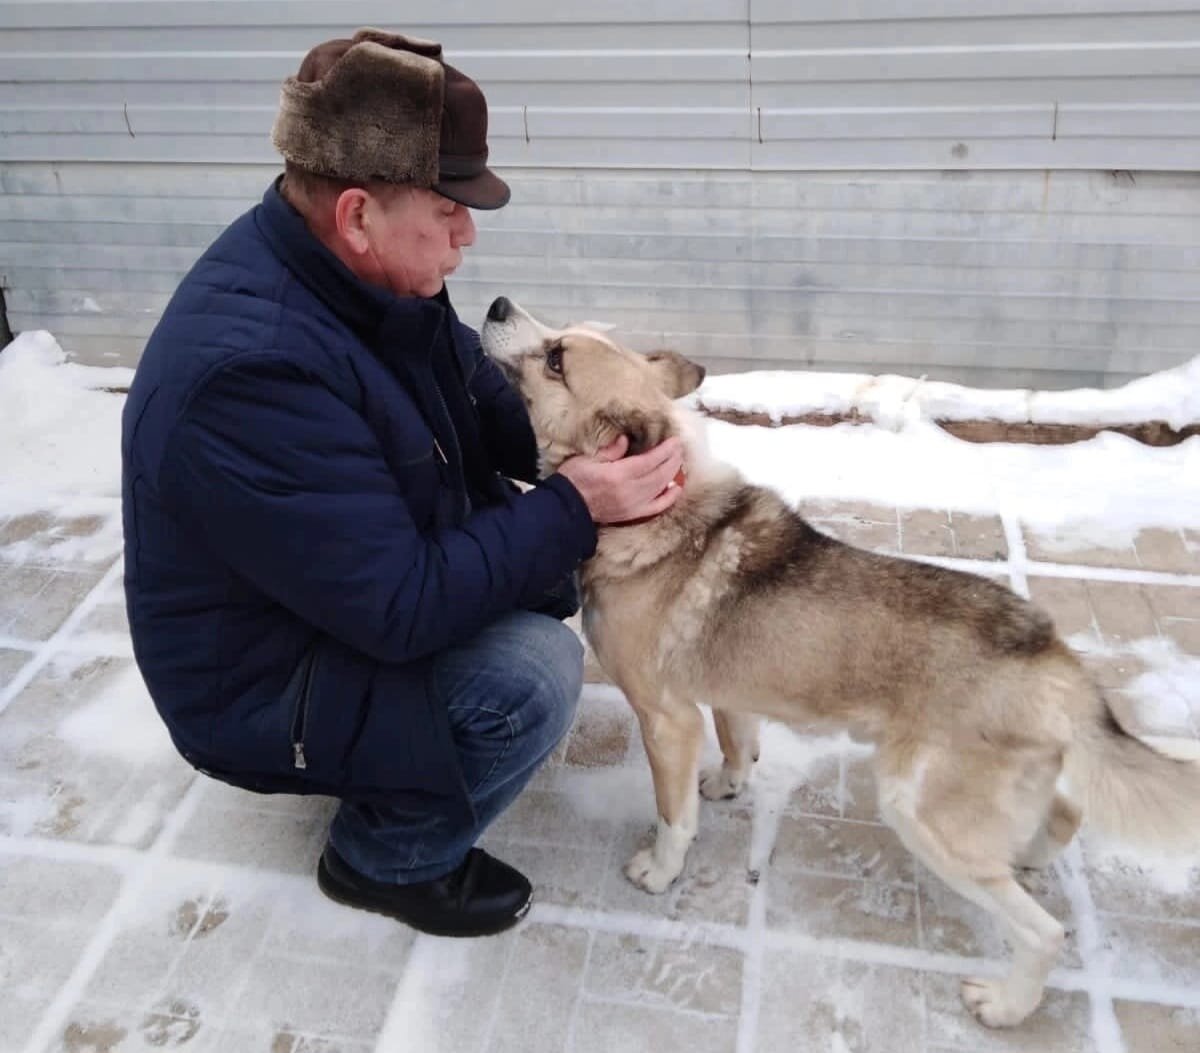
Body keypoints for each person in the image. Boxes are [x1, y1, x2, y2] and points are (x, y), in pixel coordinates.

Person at [121, 28, 684, 937]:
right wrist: (577, 506)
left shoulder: (366, 275)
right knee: (535, 673)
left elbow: (465, 387)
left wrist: (589, 438)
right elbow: (397, 606)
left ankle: (391, 754)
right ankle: (386, 858)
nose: (468, 233)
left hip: (325, 594)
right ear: (356, 213)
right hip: (254, 679)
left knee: (536, 566)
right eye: (451, 208)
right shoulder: (252, 371)